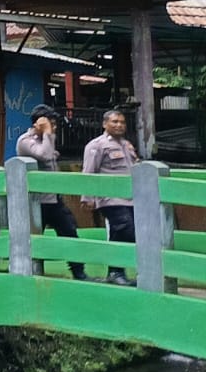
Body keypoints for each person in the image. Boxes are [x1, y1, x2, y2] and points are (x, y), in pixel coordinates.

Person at [17, 105, 86, 281]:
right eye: (51, 124)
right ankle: (30, 273)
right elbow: (45, 155)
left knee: (70, 231)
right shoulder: (25, 141)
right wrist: (47, 132)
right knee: (33, 238)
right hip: (36, 202)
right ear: (39, 123)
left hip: (53, 199)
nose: (54, 129)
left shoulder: (46, 139)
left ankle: (79, 273)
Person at [82, 109, 139, 286]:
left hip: (131, 198)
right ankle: (119, 271)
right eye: (114, 122)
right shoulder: (96, 145)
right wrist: (87, 197)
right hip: (110, 198)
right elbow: (89, 171)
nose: (119, 125)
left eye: (122, 122)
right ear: (105, 124)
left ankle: (116, 273)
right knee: (127, 229)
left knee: (119, 232)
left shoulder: (126, 145)